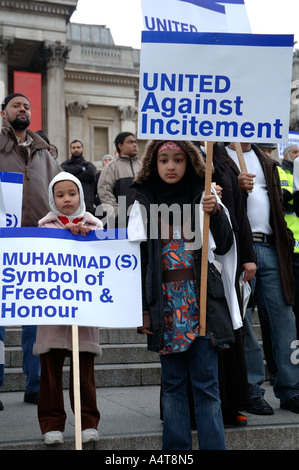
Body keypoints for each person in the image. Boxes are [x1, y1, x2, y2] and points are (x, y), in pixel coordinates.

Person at [130, 140, 235, 450]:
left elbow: (227, 245)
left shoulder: (204, 197)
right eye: (164, 160)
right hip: (164, 308)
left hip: (201, 306)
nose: (171, 166)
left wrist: (215, 211)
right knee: (173, 386)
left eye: (178, 159)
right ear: (154, 164)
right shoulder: (143, 202)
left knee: (207, 387)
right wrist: (143, 309)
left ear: (190, 162)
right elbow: (139, 262)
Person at [222, 142, 299, 414]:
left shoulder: (265, 160)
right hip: (236, 248)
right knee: (242, 322)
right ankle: (252, 389)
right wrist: (235, 185)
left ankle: (291, 388)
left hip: (270, 247)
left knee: (284, 318)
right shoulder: (216, 156)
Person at [0, 93, 61, 405]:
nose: (22, 109)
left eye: (26, 106)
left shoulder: (44, 154)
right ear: (3, 113)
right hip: (2, 241)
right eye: (16, 105)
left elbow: (61, 193)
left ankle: (35, 384)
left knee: (34, 318)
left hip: (36, 243)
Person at [33, 172, 102, 445]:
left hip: (83, 313)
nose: (66, 200)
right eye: (60, 195)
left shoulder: (94, 226)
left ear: (81, 196)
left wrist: (89, 238)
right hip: (51, 312)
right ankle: (51, 424)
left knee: (84, 371)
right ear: (52, 199)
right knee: (49, 370)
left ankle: (87, 423)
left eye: (71, 194)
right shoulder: (43, 229)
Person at [98, 132, 141, 227]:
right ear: (120, 146)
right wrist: (116, 213)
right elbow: (104, 191)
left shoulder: (142, 166)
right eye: (130, 142)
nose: (134, 145)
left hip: (142, 221)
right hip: (120, 223)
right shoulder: (111, 167)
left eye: (135, 142)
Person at [61, 140, 96, 214]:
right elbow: (63, 172)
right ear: (70, 149)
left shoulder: (89, 165)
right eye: (73, 148)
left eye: (78, 147)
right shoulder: (65, 165)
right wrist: (81, 169)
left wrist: (72, 175)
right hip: (69, 204)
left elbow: (91, 174)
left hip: (86, 204)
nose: (76, 149)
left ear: (82, 149)